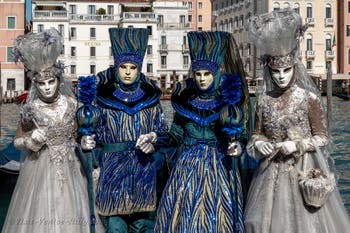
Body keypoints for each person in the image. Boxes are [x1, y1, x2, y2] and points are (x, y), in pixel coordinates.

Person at [244, 9, 350, 233]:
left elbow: (322, 137)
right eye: (275, 71)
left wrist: (298, 144)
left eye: (286, 70)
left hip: (304, 168)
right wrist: (259, 143)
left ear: (294, 68)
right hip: (270, 172)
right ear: (269, 71)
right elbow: (256, 134)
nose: (281, 76)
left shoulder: (308, 98)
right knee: (259, 222)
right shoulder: (263, 101)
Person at [137, 31, 252, 233]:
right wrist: (154, 137)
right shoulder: (185, 101)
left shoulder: (229, 104)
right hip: (186, 169)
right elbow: (175, 136)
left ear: (215, 74)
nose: (201, 79)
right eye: (198, 74)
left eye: (207, 74)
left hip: (220, 169)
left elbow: (242, 135)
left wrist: (238, 146)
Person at [2, 29, 93, 233]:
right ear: (35, 84)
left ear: (59, 80)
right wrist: (29, 141)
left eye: (51, 82)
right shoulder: (30, 109)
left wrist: (85, 142)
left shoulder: (72, 104)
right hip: (40, 171)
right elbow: (18, 140)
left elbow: (78, 135)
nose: (47, 88)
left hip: (72, 171)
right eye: (41, 84)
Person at [78, 27, 168, 233]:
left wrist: (153, 139)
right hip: (112, 175)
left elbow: (164, 133)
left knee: (142, 226)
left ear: (139, 69)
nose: (127, 72)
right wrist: (86, 140)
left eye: (133, 67)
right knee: (115, 227)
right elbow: (92, 133)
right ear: (116, 67)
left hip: (143, 173)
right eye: (123, 67)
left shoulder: (151, 100)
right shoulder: (102, 99)